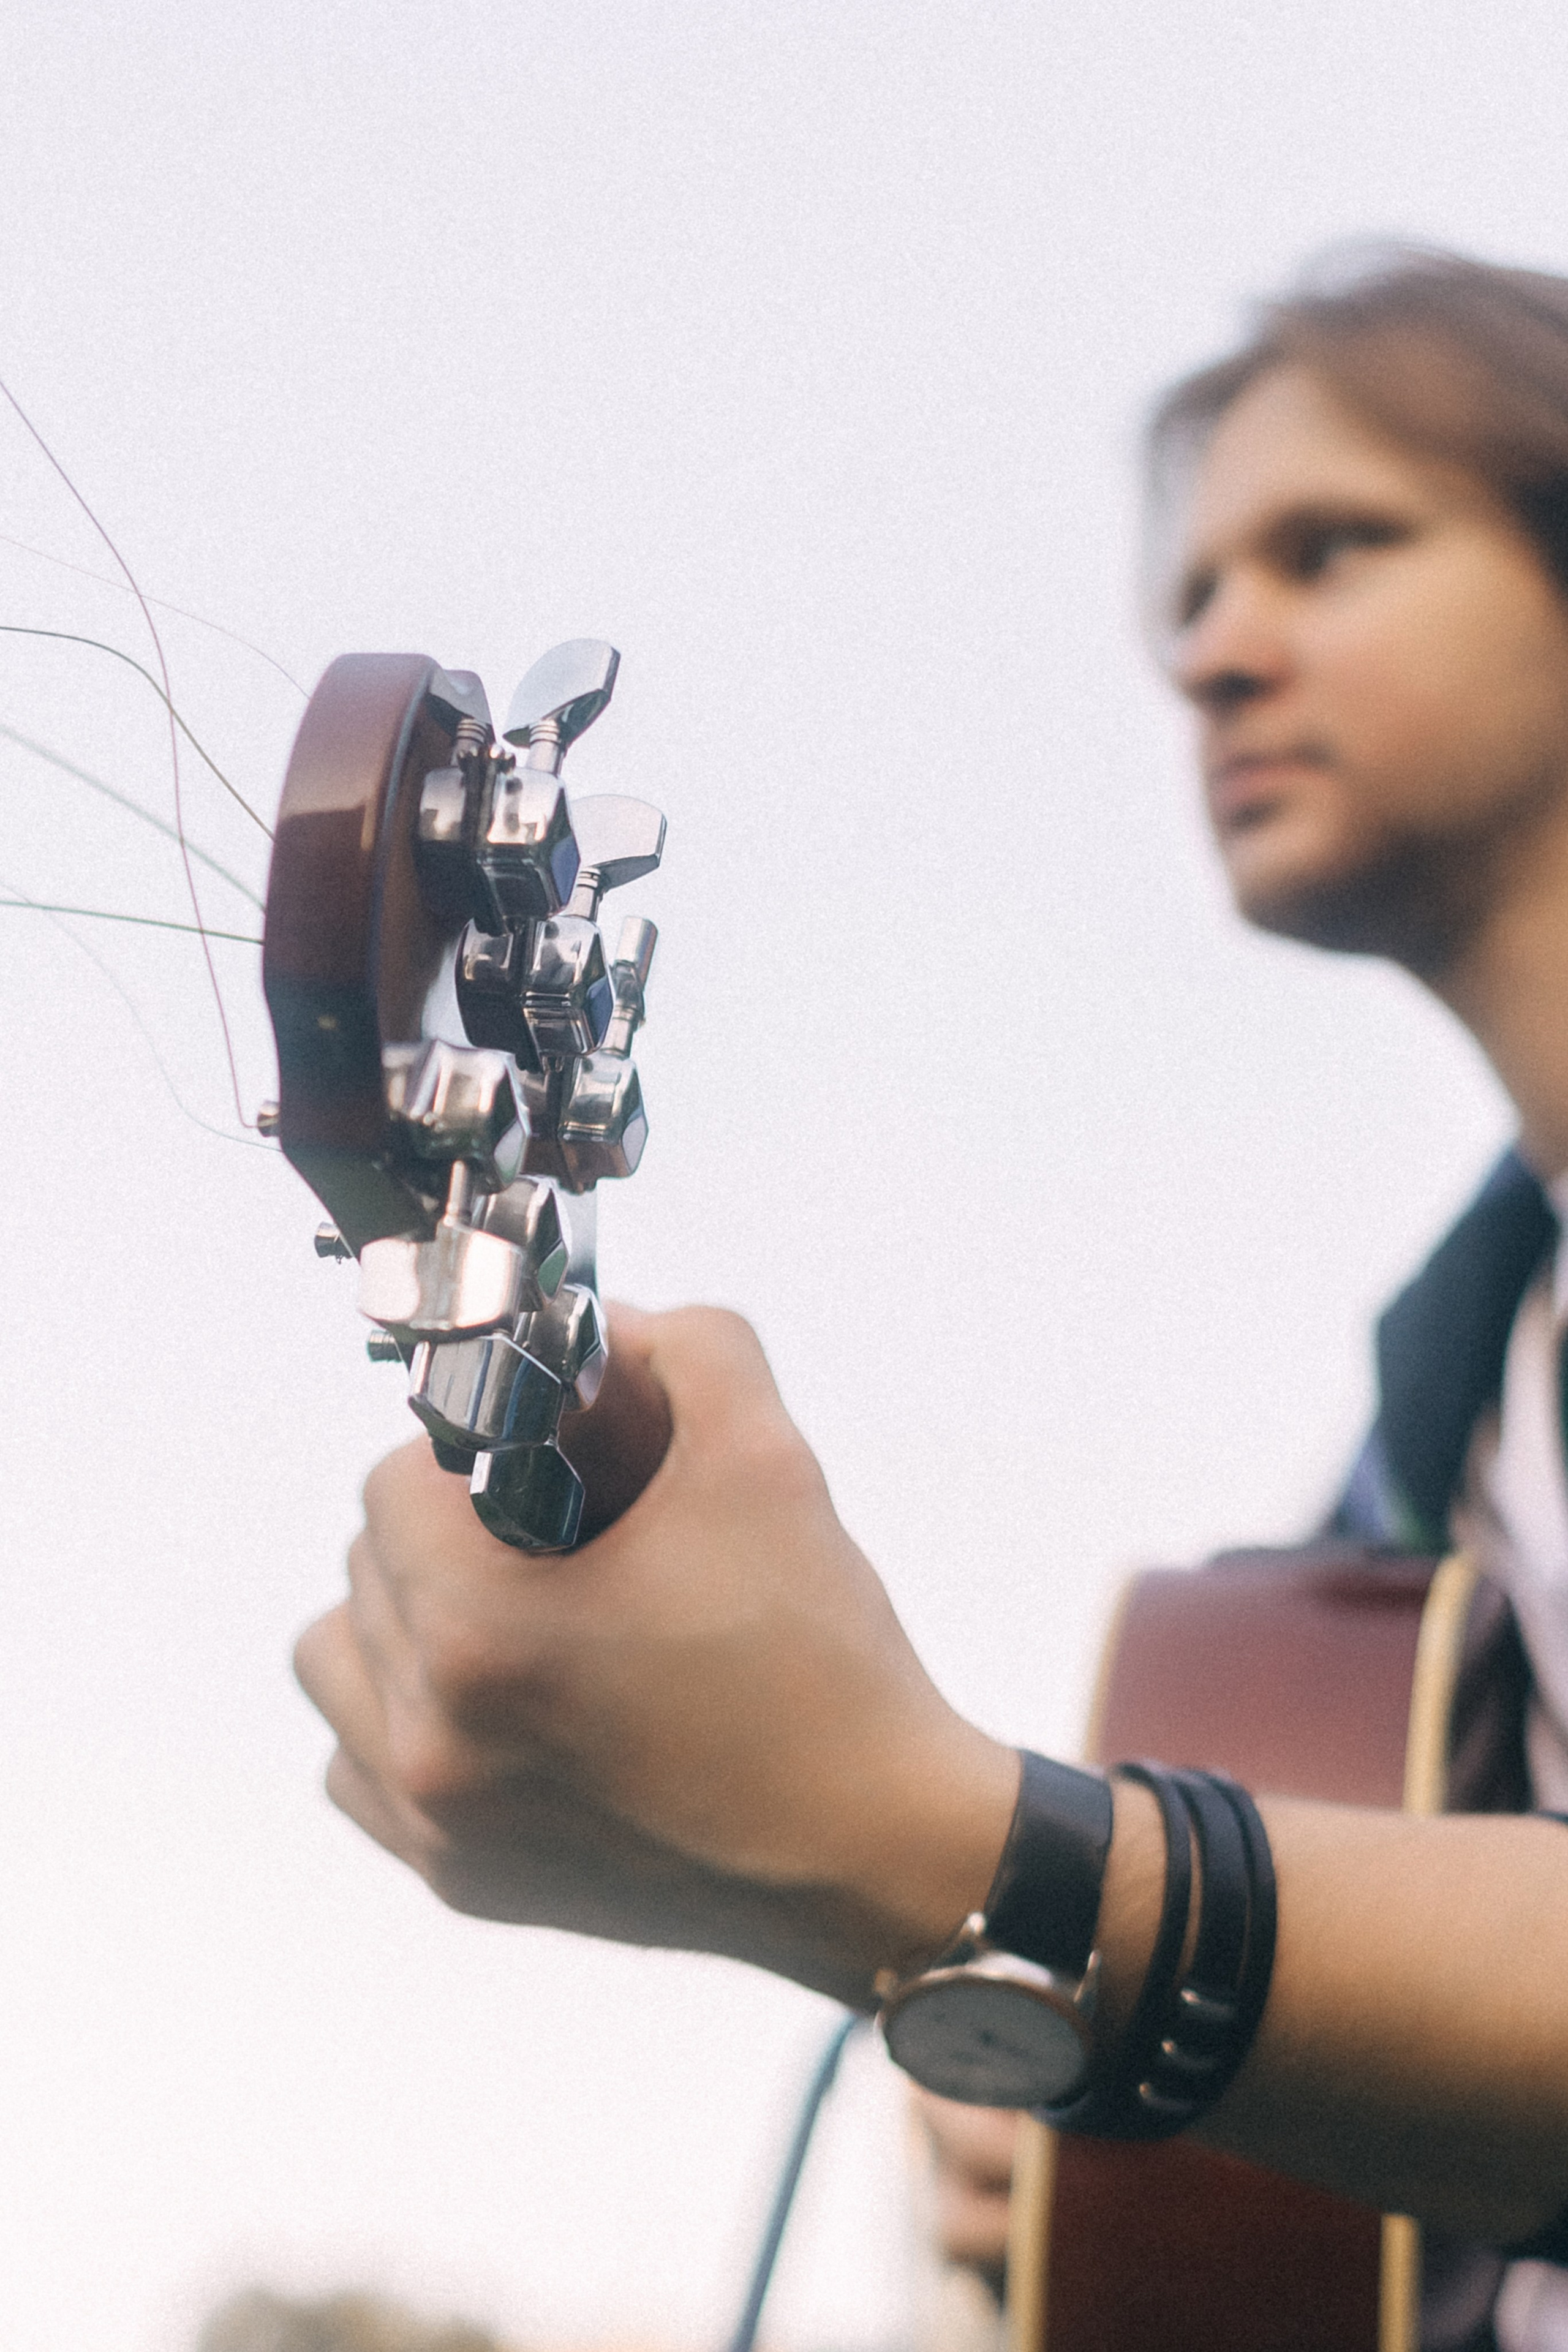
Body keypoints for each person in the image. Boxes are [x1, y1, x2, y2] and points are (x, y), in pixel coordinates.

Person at [293, 247, 1568, 2351]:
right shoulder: (1419, 1480)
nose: (1218, 654)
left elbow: (1054, 1892)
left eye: (1332, 550)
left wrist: (986, 1877)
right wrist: (1069, 2087)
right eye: (1192, 602)